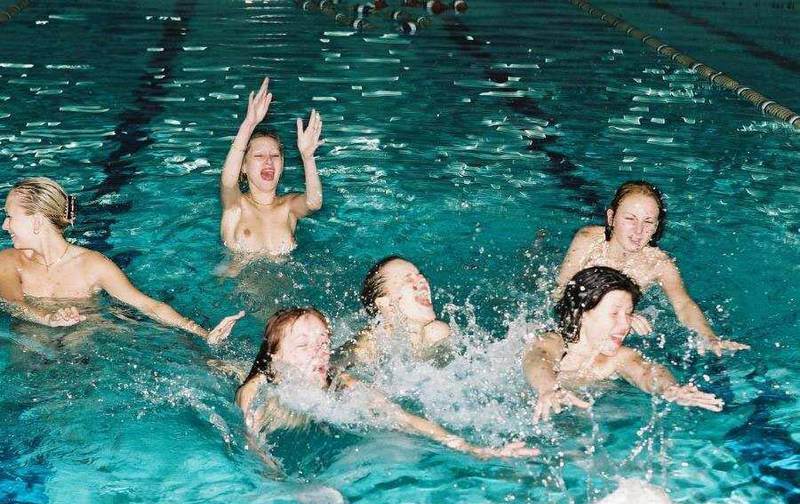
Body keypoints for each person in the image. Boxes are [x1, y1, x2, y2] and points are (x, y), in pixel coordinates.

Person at [235, 307, 538, 467]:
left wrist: (474, 449)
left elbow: (403, 418)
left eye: (324, 342)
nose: (319, 352)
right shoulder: (257, 391)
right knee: (227, 368)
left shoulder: (342, 383)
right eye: (303, 345)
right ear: (276, 358)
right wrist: (279, 486)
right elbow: (250, 446)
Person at [0, 177, 243, 343]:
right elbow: (11, 303)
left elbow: (148, 306)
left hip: (82, 345)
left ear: (37, 222)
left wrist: (203, 334)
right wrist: (49, 319)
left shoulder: (93, 265)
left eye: (10, 217)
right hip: (30, 344)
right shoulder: (8, 261)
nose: (5, 225)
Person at [555, 180, 749, 356]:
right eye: (630, 219)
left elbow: (683, 305)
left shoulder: (659, 264)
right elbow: (561, 292)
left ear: (656, 227)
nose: (638, 231)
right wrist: (623, 318)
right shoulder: (588, 240)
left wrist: (709, 337)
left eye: (648, 222)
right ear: (611, 217)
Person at [525, 266, 724, 423]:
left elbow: (646, 372)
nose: (625, 325)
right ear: (581, 313)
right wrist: (548, 388)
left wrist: (670, 388)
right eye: (614, 313)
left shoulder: (615, 358)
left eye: (629, 314)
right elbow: (538, 358)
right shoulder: (553, 343)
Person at [220, 76, 323, 256]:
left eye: (275, 156)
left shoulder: (288, 207)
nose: (268, 161)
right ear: (243, 167)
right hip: (240, 275)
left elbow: (313, 203)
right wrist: (249, 125)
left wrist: (308, 158)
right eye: (259, 156)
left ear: (282, 166)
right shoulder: (236, 205)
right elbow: (228, 182)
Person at [333, 256, 452, 368]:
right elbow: (330, 366)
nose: (423, 280)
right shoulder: (370, 342)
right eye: (409, 279)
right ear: (387, 305)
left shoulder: (437, 333)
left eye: (420, 275)